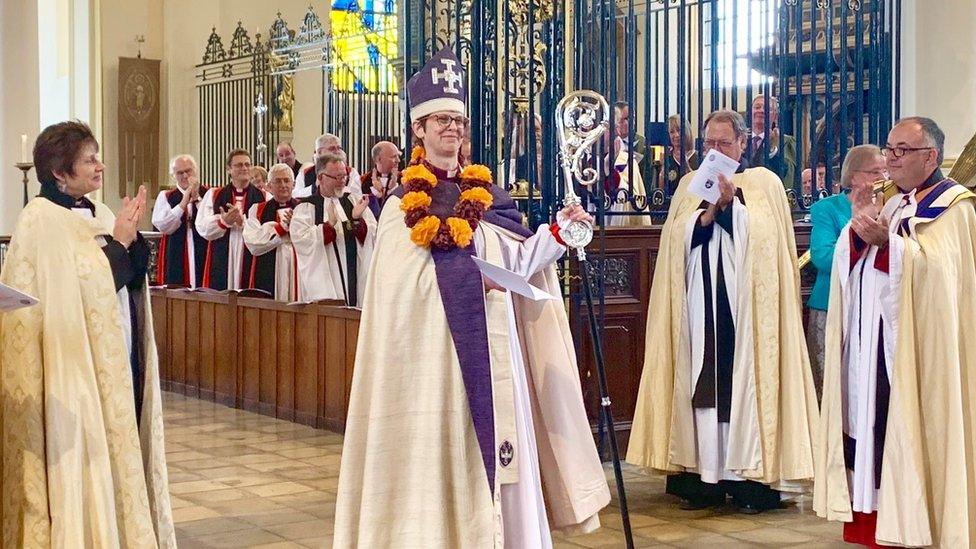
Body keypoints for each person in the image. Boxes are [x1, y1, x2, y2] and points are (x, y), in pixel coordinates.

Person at [332, 47, 610, 548]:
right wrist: (468, 281)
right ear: (418, 128)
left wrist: (558, 235)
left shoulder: (491, 197)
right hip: (439, 374)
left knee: (509, 460)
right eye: (441, 119)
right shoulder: (400, 209)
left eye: (458, 120)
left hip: (497, 352)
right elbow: (399, 296)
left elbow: (518, 264)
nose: (452, 129)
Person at [627, 109, 818, 514]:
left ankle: (750, 482)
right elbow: (674, 237)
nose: (714, 151)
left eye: (723, 144)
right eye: (708, 144)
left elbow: (769, 244)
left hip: (743, 307)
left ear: (742, 144)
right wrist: (705, 214)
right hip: (698, 302)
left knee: (741, 384)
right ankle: (700, 478)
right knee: (701, 380)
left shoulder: (763, 183)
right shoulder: (687, 186)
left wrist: (734, 209)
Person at [0, 120, 175, 546]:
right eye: (89, 160)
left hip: (115, 355)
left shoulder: (99, 213)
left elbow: (125, 279)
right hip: (70, 366)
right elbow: (72, 296)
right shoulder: (39, 221)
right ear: (60, 173)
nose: (100, 166)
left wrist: (132, 245)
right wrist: (117, 245)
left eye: (98, 156)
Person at [815, 117, 976, 547]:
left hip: (916, 354)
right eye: (889, 149)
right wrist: (860, 232)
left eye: (902, 150)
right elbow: (855, 269)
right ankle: (877, 524)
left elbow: (940, 278)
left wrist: (892, 245)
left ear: (932, 157)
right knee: (869, 428)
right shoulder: (893, 203)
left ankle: (919, 521)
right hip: (873, 347)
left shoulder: (955, 208)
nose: (891, 159)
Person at [805, 145, 885, 400]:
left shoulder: (891, 206)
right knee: (830, 385)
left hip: (873, 305)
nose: (883, 178)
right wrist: (859, 240)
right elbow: (823, 257)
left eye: (885, 170)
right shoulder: (826, 209)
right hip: (831, 304)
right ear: (853, 176)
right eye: (874, 172)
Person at [291, 153, 375, 306]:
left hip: (355, 276)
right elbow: (300, 240)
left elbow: (373, 236)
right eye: (336, 177)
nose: (342, 182)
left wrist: (357, 220)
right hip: (324, 280)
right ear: (321, 177)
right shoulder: (306, 207)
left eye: (344, 177)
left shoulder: (354, 200)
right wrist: (328, 226)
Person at [196, 148, 269, 291]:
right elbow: (202, 227)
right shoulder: (214, 194)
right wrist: (223, 222)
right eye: (239, 165)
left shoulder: (265, 197)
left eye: (247, 164)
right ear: (228, 169)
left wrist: (244, 224)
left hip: (251, 257)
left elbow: (267, 232)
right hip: (221, 255)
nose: (244, 168)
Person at [243, 163, 301, 301]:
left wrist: (295, 228)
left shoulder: (305, 208)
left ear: (294, 184)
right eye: (278, 181)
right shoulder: (257, 209)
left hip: (298, 270)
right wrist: (281, 229)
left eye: (287, 180)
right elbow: (253, 243)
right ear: (269, 186)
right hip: (267, 270)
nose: (283, 185)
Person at [152, 153, 208, 287]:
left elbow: (209, 223)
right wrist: (182, 204)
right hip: (175, 251)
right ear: (173, 176)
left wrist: (197, 200)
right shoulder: (166, 196)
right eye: (179, 173)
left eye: (188, 171)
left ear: (196, 171)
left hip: (204, 250)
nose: (185, 176)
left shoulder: (209, 194)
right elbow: (163, 226)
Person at [749, 95, 797, 189]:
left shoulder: (786, 142)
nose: (761, 110)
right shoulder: (739, 140)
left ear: (775, 117)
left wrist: (771, 149)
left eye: (768, 109)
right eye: (757, 107)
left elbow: (788, 173)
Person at [294, 133, 363, 198]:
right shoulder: (305, 173)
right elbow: (296, 195)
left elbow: (356, 196)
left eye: (339, 148)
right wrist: (314, 187)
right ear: (319, 152)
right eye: (332, 148)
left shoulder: (351, 172)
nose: (337, 152)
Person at [662, 114, 700, 195]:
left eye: (679, 130)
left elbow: (700, 189)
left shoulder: (699, 158)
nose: (676, 135)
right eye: (672, 132)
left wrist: (686, 167)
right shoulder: (667, 158)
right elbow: (660, 191)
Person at [361, 140, 401, 218]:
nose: (398, 160)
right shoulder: (363, 180)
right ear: (379, 159)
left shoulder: (405, 179)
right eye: (393, 157)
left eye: (398, 156)